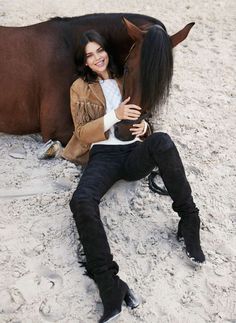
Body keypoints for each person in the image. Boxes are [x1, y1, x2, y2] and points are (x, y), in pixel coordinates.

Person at [39, 30, 205, 323]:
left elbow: (143, 115)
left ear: (107, 51)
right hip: (103, 156)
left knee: (163, 141)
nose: (96, 58)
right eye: (89, 55)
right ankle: (110, 286)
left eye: (99, 50)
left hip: (133, 154)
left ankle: (189, 220)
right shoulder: (79, 88)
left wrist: (146, 129)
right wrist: (114, 115)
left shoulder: (124, 78)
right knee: (81, 201)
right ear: (85, 62)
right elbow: (80, 132)